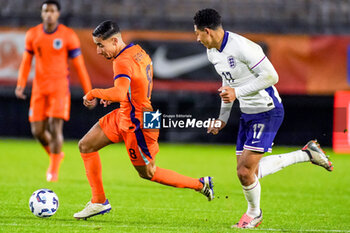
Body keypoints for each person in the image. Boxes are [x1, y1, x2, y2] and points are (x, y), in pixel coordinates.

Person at [193, 8, 333, 229]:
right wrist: (222, 119)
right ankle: (307, 154)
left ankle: (254, 214)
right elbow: (227, 87)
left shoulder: (243, 47)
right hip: (248, 113)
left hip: (268, 110)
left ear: (207, 31)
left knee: (244, 172)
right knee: (251, 172)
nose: (196, 38)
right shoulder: (213, 53)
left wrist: (238, 94)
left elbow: (271, 76)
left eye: (197, 33)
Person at [73, 20, 214, 220]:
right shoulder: (138, 50)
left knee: (148, 173)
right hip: (130, 113)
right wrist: (114, 95)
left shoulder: (121, 61)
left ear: (114, 41)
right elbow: (132, 86)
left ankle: (201, 184)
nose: (98, 51)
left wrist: (95, 93)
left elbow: (121, 92)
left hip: (139, 122)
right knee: (86, 146)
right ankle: (98, 201)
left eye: (100, 45)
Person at [15, 0, 95, 182]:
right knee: (37, 131)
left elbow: (80, 67)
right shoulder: (33, 35)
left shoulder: (68, 36)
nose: (49, 14)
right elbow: (26, 61)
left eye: (52, 11)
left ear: (58, 14)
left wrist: (89, 92)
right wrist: (21, 83)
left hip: (59, 87)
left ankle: (53, 170)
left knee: (54, 125)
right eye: (46, 11)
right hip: (39, 87)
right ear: (42, 14)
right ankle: (56, 155)